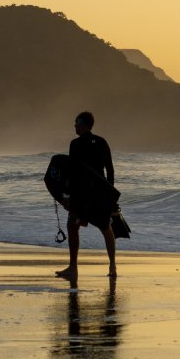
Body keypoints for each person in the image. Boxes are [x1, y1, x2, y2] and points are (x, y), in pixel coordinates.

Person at [56, 111, 117, 283]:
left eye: (76, 123)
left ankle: (73, 268)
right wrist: (110, 194)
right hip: (99, 194)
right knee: (106, 228)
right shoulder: (102, 142)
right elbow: (110, 170)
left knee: (72, 226)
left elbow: (71, 171)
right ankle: (112, 266)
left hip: (80, 195)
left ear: (82, 125)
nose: (74, 126)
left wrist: (66, 195)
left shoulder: (75, 144)